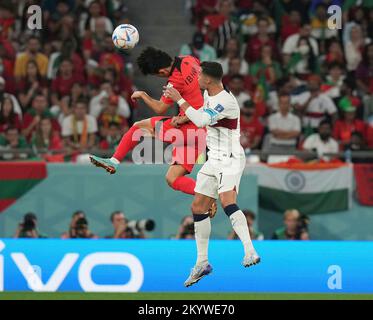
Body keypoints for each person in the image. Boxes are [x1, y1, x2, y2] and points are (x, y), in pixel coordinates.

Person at [163, 61, 260, 287]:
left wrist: (178, 98)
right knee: (198, 207)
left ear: (207, 79)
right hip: (213, 158)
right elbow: (200, 116)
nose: (195, 79)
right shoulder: (209, 94)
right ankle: (202, 262)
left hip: (230, 158)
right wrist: (183, 117)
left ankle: (250, 251)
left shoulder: (225, 101)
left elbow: (203, 119)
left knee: (227, 201)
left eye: (199, 76)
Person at [89, 47, 216, 217]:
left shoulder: (174, 81)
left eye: (158, 75)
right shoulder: (190, 60)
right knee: (173, 178)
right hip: (202, 131)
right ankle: (207, 196)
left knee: (139, 127)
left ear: (162, 70)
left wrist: (143, 95)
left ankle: (114, 161)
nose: (161, 77)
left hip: (188, 128)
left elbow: (160, 107)